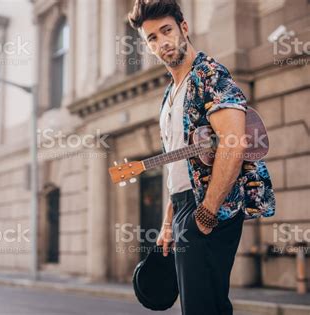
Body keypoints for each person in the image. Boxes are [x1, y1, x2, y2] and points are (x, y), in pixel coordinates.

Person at [128, 1, 276, 314]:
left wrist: (207, 214)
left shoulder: (210, 75)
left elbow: (234, 144)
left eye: (166, 30)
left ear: (184, 27)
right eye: (152, 38)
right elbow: (178, 167)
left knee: (204, 307)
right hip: (183, 206)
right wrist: (168, 223)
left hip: (208, 206)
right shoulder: (170, 95)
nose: (162, 42)